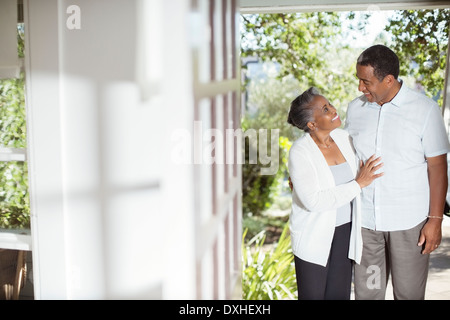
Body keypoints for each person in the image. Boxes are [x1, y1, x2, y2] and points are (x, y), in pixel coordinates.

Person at [345, 44, 450, 300]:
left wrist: (435, 220)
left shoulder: (425, 110)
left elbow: (437, 167)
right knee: (368, 295)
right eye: (359, 80)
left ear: (389, 80)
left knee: (409, 295)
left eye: (365, 81)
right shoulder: (355, 110)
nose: (360, 88)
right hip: (366, 226)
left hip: (409, 225)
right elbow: (345, 156)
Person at [287, 87, 383, 300]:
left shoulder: (344, 138)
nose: (333, 110)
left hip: (345, 232)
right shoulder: (300, 152)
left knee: (339, 295)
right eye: (325, 109)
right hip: (314, 235)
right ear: (312, 124)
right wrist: (358, 184)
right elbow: (314, 201)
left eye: (329, 104)